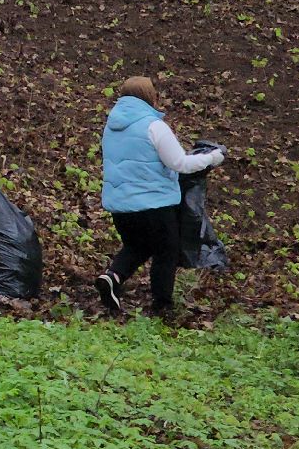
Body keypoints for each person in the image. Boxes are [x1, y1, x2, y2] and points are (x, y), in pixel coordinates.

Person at [95, 76, 226, 317]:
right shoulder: (153, 126)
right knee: (167, 251)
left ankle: (112, 277)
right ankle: (162, 305)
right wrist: (212, 158)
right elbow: (180, 163)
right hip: (153, 205)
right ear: (149, 96)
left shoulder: (112, 125)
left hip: (120, 207)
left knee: (137, 245)